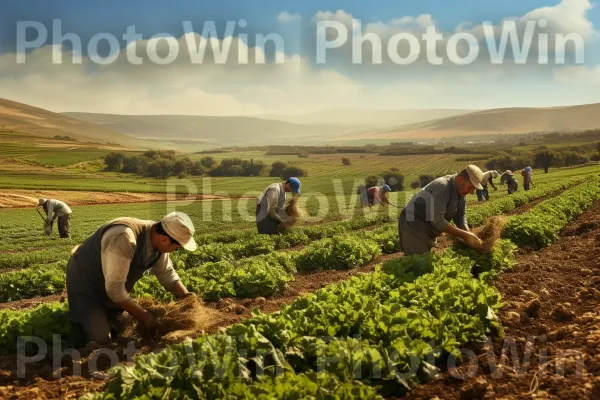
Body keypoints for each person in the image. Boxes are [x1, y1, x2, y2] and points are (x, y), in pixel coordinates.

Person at [66, 212, 197, 346]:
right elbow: (115, 289)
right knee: (102, 340)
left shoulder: (157, 240)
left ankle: (109, 314)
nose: (176, 251)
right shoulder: (123, 237)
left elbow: (167, 274)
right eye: (177, 248)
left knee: (124, 329)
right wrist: (145, 317)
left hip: (111, 286)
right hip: (87, 283)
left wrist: (186, 297)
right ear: (165, 240)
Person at [398, 165, 485, 256]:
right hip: (413, 223)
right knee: (419, 262)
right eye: (470, 187)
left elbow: (460, 217)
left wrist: (469, 234)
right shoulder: (442, 186)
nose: (471, 192)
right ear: (460, 180)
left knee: (424, 259)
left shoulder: (461, 193)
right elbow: (437, 220)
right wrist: (465, 236)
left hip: (428, 226)